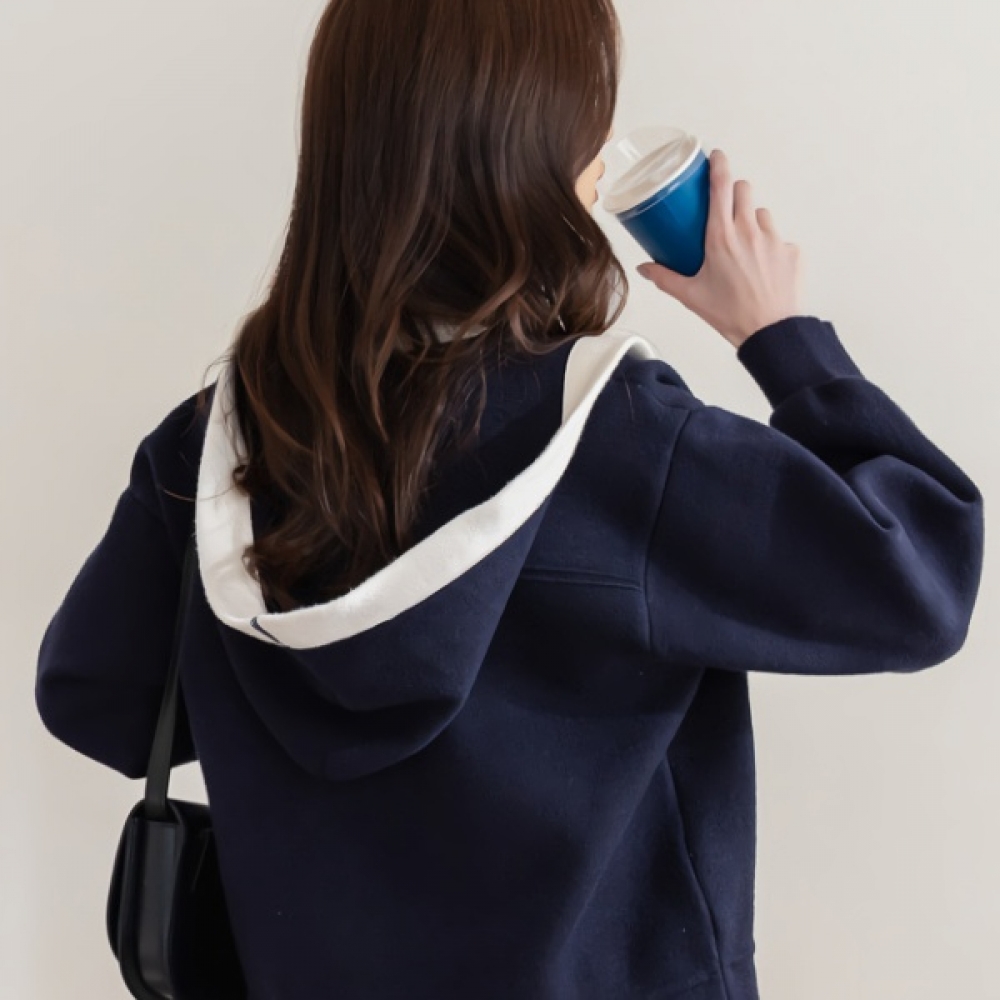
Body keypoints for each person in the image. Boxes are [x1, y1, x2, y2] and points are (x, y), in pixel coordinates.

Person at [34, 1, 985, 998]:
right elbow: (920, 580)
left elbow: (99, 701)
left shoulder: (221, 442)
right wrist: (780, 335)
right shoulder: (618, 441)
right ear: (532, 157)